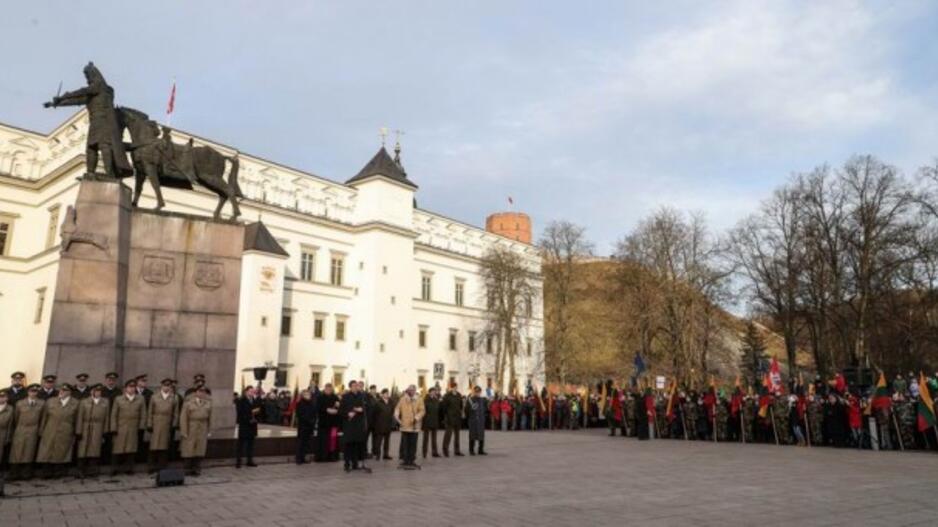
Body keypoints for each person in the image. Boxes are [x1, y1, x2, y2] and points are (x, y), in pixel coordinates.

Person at [36, 383, 79, 478]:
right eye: (61, 390)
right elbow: (44, 417)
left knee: (61, 451)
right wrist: (41, 430)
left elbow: (77, 419)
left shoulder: (75, 403)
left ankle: (58, 472)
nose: (62, 392)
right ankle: (46, 472)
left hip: (65, 430)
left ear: (70, 392)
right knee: (47, 450)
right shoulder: (51, 401)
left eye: (65, 390)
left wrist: (76, 432)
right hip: (50, 429)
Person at [109, 379, 147, 475]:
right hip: (120, 427)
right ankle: (114, 469)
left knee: (131, 449)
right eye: (130, 387)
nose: (132, 389)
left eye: (133, 387)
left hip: (133, 427)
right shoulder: (118, 399)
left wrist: (141, 427)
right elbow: (114, 415)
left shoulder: (140, 399)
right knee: (117, 449)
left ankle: (129, 469)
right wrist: (113, 428)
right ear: (125, 388)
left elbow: (143, 414)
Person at [9, 384, 44, 480]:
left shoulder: (41, 403)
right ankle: (14, 473)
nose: (33, 393)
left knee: (29, 452)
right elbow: (16, 417)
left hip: (33, 429)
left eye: (35, 391)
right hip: (21, 428)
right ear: (28, 392)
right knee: (16, 452)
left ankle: (26, 474)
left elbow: (42, 418)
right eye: (31, 391)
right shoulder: (20, 403)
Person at [76, 384, 110, 478]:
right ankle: (80, 470)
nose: (97, 393)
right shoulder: (84, 402)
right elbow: (80, 417)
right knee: (83, 449)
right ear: (91, 391)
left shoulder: (105, 402)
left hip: (98, 427)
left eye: (99, 391)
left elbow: (106, 417)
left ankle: (93, 471)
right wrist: (78, 431)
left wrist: (105, 431)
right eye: (95, 391)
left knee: (95, 449)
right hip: (86, 426)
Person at [147, 378, 178, 473]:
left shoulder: (174, 397)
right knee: (154, 445)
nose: (166, 387)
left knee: (164, 446)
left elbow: (176, 413)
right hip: (156, 422)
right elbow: (150, 411)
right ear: (161, 386)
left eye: (168, 386)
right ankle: (151, 467)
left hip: (166, 423)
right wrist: (149, 424)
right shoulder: (154, 397)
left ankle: (162, 466)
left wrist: (174, 424)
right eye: (165, 385)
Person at [179, 385, 212, 476]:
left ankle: (196, 468)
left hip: (202, 427)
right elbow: (183, 418)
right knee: (189, 448)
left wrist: (209, 430)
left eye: (204, 392)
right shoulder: (188, 403)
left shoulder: (208, 403)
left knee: (200, 448)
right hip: (191, 426)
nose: (202, 393)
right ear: (196, 392)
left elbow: (210, 418)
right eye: (200, 391)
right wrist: (184, 431)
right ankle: (187, 469)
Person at [339, 380, 371, 473]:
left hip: (358, 425)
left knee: (356, 445)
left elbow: (368, 407)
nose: (355, 387)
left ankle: (355, 464)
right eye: (353, 385)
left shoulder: (362, 396)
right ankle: (347, 464)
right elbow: (340, 411)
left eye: (357, 385)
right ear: (350, 387)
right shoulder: (345, 397)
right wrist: (348, 414)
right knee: (348, 445)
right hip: (349, 425)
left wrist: (362, 409)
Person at [394, 385, 425, 468]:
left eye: (412, 390)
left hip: (415, 425)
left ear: (415, 391)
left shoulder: (419, 399)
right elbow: (397, 408)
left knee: (413, 444)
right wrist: (397, 417)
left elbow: (422, 411)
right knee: (405, 444)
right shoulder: (403, 399)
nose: (411, 391)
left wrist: (416, 418)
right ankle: (405, 460)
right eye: (409, 390)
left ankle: (411, 460)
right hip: (405, 425)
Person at [235, 385, 261, 468]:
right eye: (250, 391)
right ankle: (238, 461)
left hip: (252, 426)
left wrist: (256, 417)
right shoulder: (241, 400)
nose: (252, 393)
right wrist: (248, 419)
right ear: (246, 392)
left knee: (251, 444)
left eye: (253, 391)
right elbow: (240, 413)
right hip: (244, 425)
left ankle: (249, 460)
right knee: (241, 444)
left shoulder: (254, 400)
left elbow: (258, 411)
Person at [315, 384, 341, 462]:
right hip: (324, 423)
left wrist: (337, 409)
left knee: (333, 439)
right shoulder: (320, 397)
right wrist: (326, 410)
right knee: (323, 440)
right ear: (325, 389)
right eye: (327, 389)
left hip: (333, 423)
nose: (329, 390)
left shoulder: (335, 397)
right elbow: (318, 408)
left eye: (330, 389)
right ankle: (323, 456)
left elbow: (339, 407)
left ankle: (332, 456)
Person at [441, 383, 464, 457]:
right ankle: (445, 450)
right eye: (453, 387)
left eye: (456, 387)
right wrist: (446, 416)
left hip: (457, 417)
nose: (455, 389)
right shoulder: (447, 396)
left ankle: (457, 450)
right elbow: (444, 408)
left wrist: (460, 413)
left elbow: (461, 406)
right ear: (451, 388)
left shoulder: (459, 395)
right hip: (449, 418)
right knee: (448, 435)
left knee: (457, 435)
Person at [371, 388, 394, 461]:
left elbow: (392, 413)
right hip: (380, 425)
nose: (387, 395)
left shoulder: (391, 402)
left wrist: (392, 424)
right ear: (382, 394)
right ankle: (378, 454)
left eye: (388, 393)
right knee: (379, 441)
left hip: (388, 425)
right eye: (386, 393)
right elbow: (374, 414)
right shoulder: (378, 403)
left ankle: (385, 454)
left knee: (387, 441)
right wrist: (375, 425)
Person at [294, 389, 316, 464]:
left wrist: (313, 421)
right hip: (303, 426)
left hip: (310, 426)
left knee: (307, 443)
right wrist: (308, 420)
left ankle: (303, 457)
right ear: (303, 395)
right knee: (301, 442)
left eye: (309, 394)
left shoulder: (312, 403)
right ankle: (298, 458)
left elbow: (314, 413)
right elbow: (300, 415)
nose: (308, 396)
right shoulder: (300, 403)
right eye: (306, 394)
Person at [465, 386, 488, 455]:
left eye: (479, 392)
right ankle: (471, 450)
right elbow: (466, 410)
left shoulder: (483, 400)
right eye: (476, 392)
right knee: (472, 436)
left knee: (481, 436)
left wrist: (483, 417)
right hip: (473, 420)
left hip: (481, 420)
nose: (477, 393)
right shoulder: (470, 400)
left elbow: (485, 409)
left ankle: (480, 450)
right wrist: (470, 417)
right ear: (474, 392)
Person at [422, 386, 441, 458]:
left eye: (434, 391)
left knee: (434, 438)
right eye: (432, 391)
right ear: (429, 392)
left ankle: (434, 452)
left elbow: (439, 410)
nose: (434, 393)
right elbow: (424, 410)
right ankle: (424, 452)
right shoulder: (426, 400)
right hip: (427, 421)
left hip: (435, 420)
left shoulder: (436, 400)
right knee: (426, 438)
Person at [0, 390, 14, 474]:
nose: (1, 399)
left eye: (3, 397)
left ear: (7, 398)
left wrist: (8, 437)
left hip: (2, 432)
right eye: (0, 396)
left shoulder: (10, 409)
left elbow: (10, 424)